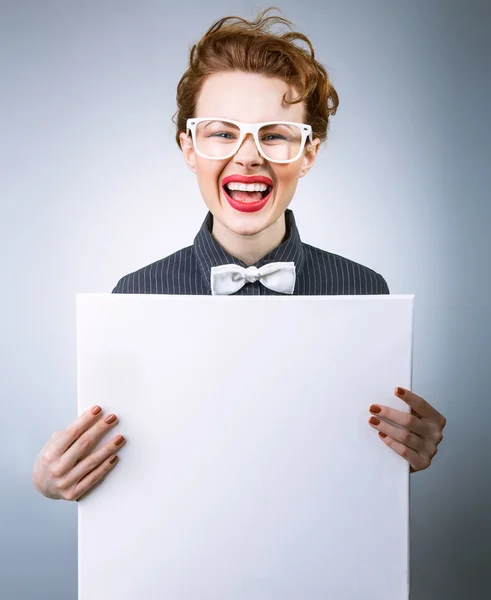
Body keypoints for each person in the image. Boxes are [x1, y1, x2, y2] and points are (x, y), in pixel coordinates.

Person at [32, 7, 446, 502]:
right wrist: (54, 479)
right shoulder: (133, 296)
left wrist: (403, 452)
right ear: (189, 148)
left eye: (274, 134)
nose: (249, 155)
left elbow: (352, 470)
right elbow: (128, 467)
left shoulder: (367, 293)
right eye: (223, 132)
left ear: (308, 153)